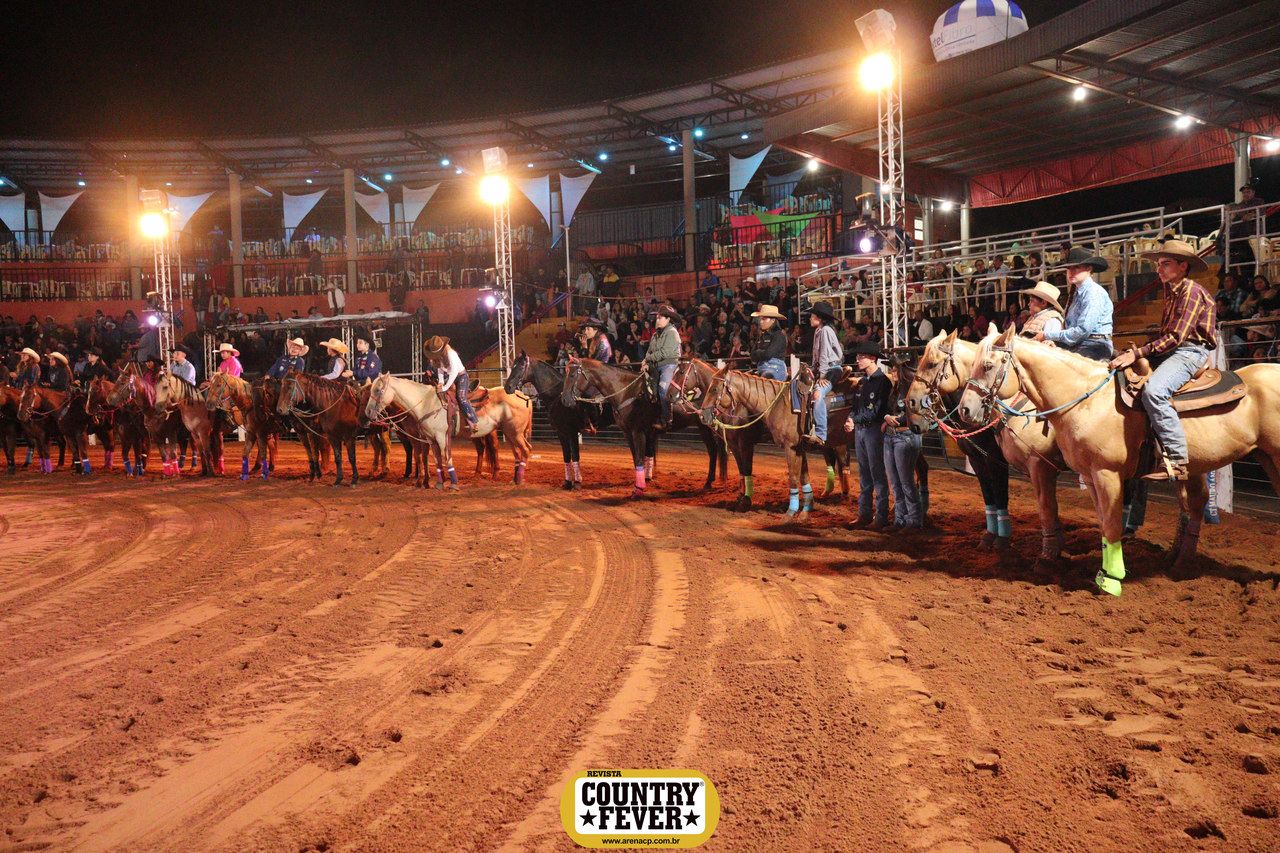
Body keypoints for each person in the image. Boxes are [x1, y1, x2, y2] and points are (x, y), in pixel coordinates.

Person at [1107, 239, 1217, 482]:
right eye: (1158, 264)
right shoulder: (1172, 290)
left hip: (1190, 352)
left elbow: (1177, 336)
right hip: (1174, 351)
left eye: (1165, 264)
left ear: (1183, 266)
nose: (1159, 269)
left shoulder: (1191, 292)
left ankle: (1177, 459)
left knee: (1154, 391)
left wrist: (1139, 353)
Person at [844, 341, 892, 530]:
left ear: (872, 358)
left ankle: (880, 516)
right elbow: (856, 407)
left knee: (876, 473)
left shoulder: (883, 382)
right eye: (858, 357)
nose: (857, 360)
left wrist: (853, 420)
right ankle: (864, 514)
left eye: (861, 357)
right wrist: (850, 418)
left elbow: (877, 412)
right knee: (865, 473)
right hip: (862, 431)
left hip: (873, 430)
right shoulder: (863, 382)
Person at [1036, 246, 1113, 360]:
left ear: (1089, 268)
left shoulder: (1093, 293)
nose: (1071, 272)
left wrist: (1047, 335)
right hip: (1081, 344)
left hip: (1095, 346)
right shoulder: (1078, 293)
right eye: (1068, 268)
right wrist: (1056, 342)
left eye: (1076, 267)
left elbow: (1082, 331)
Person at [881, 355, 923, 530]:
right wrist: (886, 417)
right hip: (892, 436)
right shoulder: (895, 389)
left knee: (906, 482)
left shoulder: (912, 390)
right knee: (896, 482)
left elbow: (918, 414)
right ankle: (900, 519)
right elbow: (886, 409)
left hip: (905, 436)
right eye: (892, 368)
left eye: (895, 369)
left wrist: (895, 419)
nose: (892, 371)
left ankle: (913, 520)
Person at [805, 301, 844, 444]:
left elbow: (824, 355)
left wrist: (822, 375)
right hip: (825, 368)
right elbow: (817, 357)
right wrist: (812, 369)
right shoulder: (819, 331)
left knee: (817, 394)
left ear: (819, 318)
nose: (810, 318)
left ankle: (821, 433)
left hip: (832, 370)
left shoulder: (826, 330)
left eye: (812, 316)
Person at [643, 305, 682, 428]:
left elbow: (666, 353)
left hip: (669, 364)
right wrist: (646, 361)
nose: (657, 320)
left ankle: (667, 419)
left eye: (660, 318)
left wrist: (648, 359)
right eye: (657, 318)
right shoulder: (655, 335)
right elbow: (649, 351)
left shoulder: (672, 332)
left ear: (668, 319)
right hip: (656, 365)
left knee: (663, 390)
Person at [424, 335, 476, 428]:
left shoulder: (451, 354)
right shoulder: (438, 357)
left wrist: (445, 387)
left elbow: (454, 372)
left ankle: (472, 420)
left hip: (461, 376)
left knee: (461, 398)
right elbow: (440, 370)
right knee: (438, 392)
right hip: (450, 377)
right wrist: (441, 382)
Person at [748, 304, 788, 380]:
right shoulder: (762, 336)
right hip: (762, 368)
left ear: (773, 320)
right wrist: (761, 353)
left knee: (765, 378)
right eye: (761, 319)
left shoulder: (779, 335)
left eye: (764, 319)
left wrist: (758, 352)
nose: (761, 322)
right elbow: (752, 355)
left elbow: (768, 354)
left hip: (776, 369)